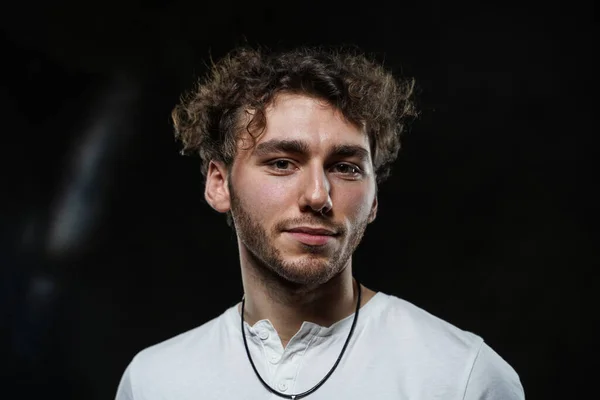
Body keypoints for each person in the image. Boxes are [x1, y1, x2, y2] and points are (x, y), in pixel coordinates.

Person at [115, 45, 525, 400]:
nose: (317, 195)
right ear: (219, 184)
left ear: (374, 198)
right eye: (281, 163)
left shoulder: (462, 377)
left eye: (345, 168)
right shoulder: (155, 381)